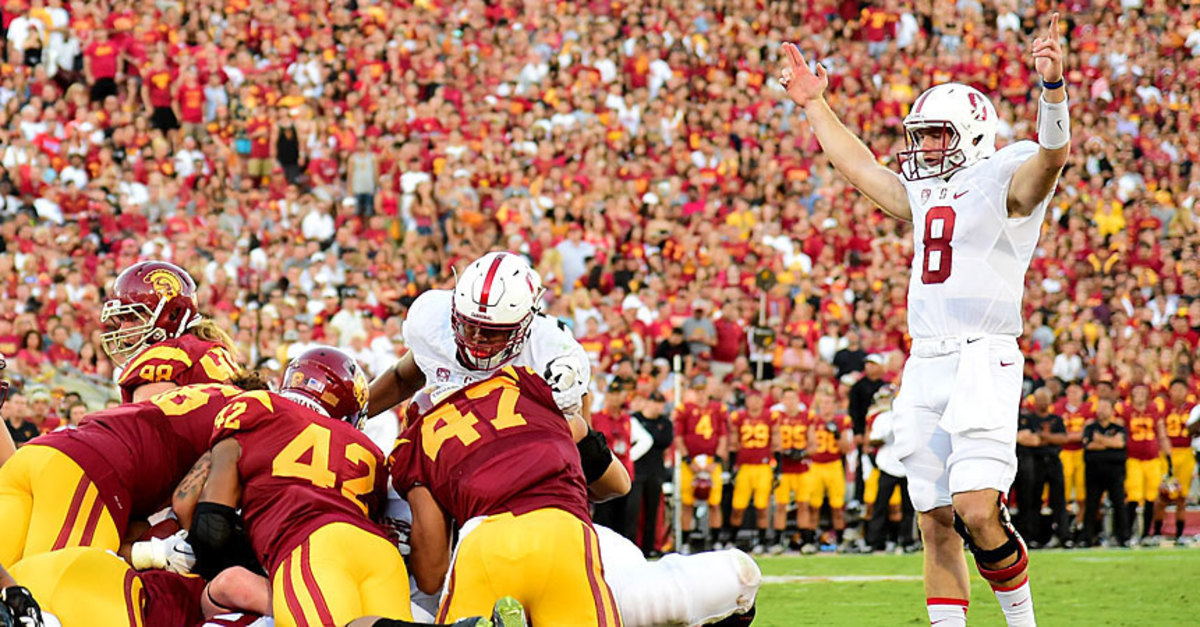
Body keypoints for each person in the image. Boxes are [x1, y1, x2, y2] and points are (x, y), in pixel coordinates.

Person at [778, 10, 1070, 625]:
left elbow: (1048, 161)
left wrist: (1052, 92)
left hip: (984, 353)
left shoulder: (1002, 176)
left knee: (976, 509)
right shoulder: (927, 189)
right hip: (928, 356)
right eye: (921, 134)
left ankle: (1023, 621)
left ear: (969, 134)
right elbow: (861, 168)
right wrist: (814, 106)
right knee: (933, 516)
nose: (924, 146)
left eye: (937, 135)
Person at [366, 251, 629, 502]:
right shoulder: (433, 320)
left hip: (517, 470)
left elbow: (581, 453)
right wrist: (351, 416)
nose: (478, 338)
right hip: (446, 461)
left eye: (492, 331)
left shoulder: (553, 355)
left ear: (525, 323)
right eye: (469, 326)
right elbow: (404, 378)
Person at [390, 366, 620, 625]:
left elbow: (431, 576)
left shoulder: (418, 439)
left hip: (484, 542)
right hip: (561, 530)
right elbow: (619, 484)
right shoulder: (521, 387)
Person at [675, 383, 730, 550]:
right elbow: (679, 436)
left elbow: (723, 436)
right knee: (687, 502)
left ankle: (715, 540)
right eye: (697, 391)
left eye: (703, 390)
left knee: (714, 503)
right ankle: (686, 541)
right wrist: (687, 460)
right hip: (691, 462)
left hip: (710, 460)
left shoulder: (718, 409)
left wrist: (717, 461)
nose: (700, 395)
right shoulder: (685, 409)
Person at [1118, 382, 1170, 543]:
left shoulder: (1154, 411)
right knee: (1134, 496)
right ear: (1131, 394)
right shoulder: (1126, 411)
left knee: (1151, 497)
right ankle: (1127, 534)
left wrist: (1169, 458)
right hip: (1133, 459)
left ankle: (1146, 533)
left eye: (1143, 391)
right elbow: (1119, 432)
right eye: (1137, 391)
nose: (1140, 394)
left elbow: (1162, 435)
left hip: (1153, 459)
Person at [728, 390, 778, 553]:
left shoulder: (770, 417)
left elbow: (776, 442)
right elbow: (733, 443)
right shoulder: (739, 417)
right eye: (751, 399)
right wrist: (732, 466)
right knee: (738, 506)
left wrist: (778, 466)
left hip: (763, 466)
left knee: (762, 506)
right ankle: (732, 539)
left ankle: (762, 541)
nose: (755, 402)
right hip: (745, 466)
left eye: (758, 398)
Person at [627, 391, 673, 556]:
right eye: (654, 402)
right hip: (637, 470)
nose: (657, 406)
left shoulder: (665, 422)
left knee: (653, 511)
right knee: (633, 509)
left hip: (655, 471)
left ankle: (650, 546)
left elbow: (665, 440)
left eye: (660, 403)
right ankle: (633, 545)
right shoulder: (635, 419)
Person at [1081, 399, 1128, 546]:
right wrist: (1110, 442)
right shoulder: (1090, 428)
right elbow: (1089, 445)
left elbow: (1120, 443)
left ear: (1112, 411)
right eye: (1099, 407)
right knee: (1091, 505)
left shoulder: (1118, 428)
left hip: (1115, 472)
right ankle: (1088, 538)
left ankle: (1123, 537)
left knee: (1119, 504)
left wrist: (1100, 439)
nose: (1102, 411)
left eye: (1105, 407)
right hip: (1094, 472)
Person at [771, 387, 812, 553]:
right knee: (781, 505)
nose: (790, 402)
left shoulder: (806, 417)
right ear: (782, 401)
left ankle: (806, 541)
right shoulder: (777, 418)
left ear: (798, 400)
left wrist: (803, 452)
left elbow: (813, 443)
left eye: (793, 398)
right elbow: (773, 440)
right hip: (784, 468)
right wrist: (782, 451)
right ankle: (777, 541)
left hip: (801, 467)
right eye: (786, 398)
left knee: (803, 504)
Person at [1156, 379, 1195, 542]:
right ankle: (1157, 532)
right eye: (1175, 389)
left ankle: (1180, 534)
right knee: (1162, 495)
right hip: (1167, 453)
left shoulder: (1193, 409)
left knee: (1182, 496)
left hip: (1186, 453)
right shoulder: (1163, 407)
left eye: (1181, 389)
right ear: (1169, 391)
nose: (1178, 392)